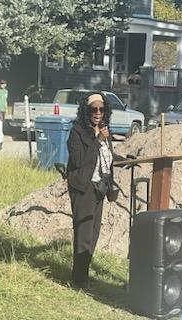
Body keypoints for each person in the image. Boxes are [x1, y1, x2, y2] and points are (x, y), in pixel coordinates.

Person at [67, 91, 124, 289]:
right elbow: (79, 160)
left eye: (102, 109)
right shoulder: (77, 132)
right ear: (86, 111)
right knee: (83, 233)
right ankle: (79, 280)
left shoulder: (103, 130)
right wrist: (98, 139)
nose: (98, 113)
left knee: (94, 233)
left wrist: (125, 160)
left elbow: (106, 158)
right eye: (94, 109)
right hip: (83, 188)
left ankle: (83, 274)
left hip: (100, 187)